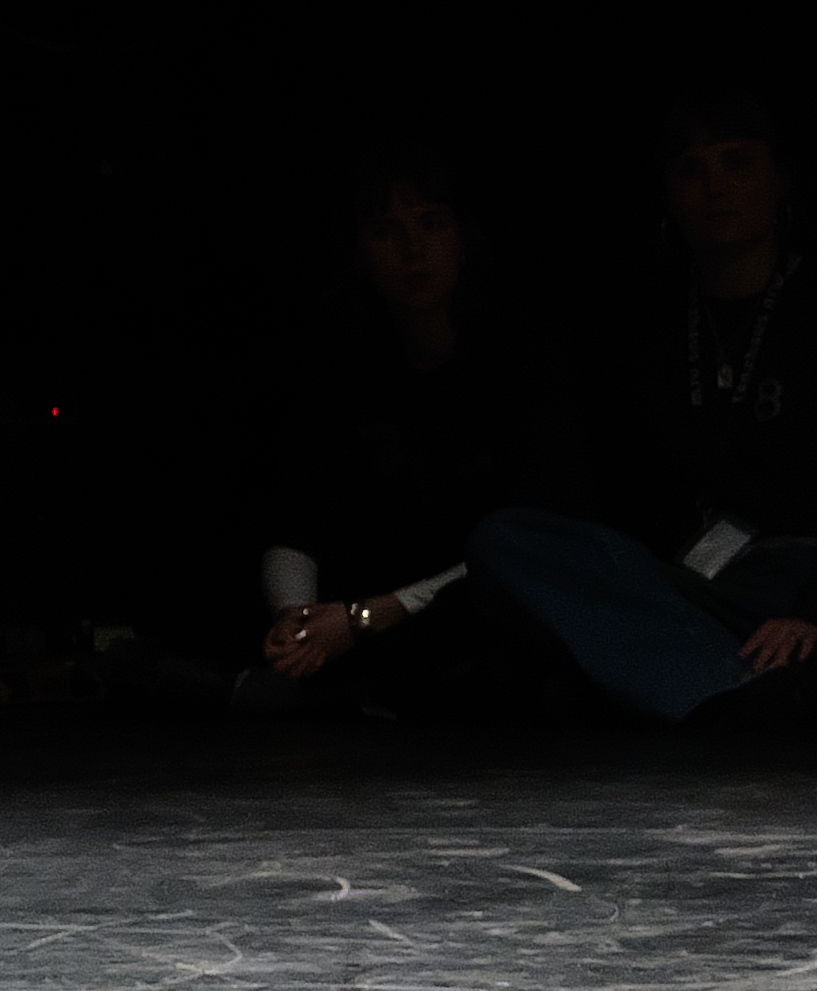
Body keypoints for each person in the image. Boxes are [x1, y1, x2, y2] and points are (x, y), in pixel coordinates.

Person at [459, 95, 817, 728]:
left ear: (779, 179)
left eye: (736, 163)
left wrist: (814, 613)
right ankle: (745, 687)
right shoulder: (642, 325)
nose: (715, 188)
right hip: (698, 591)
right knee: (511, 542)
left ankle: (757, 680)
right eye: (691, 170)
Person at [240, 154, 584, 718]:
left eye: (431, 223)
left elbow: (531, 542)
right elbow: (297, 516)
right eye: (385, 231)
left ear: (464, 234)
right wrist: (295, 621)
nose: (413, 249)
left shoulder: (523, 367)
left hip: (485, 634)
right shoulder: (338, 370)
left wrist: (367, 617)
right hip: (357, 635)